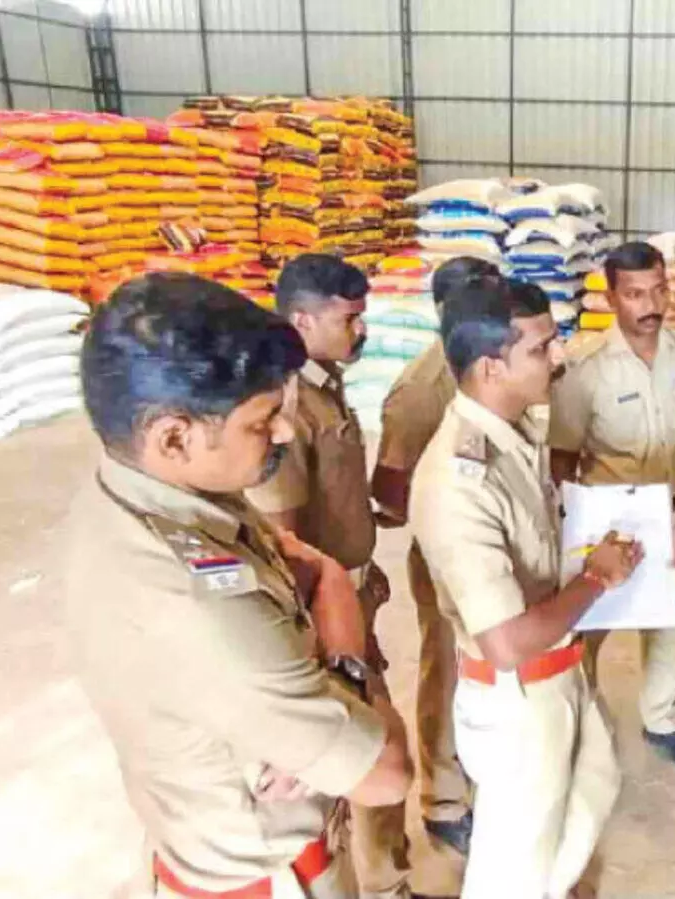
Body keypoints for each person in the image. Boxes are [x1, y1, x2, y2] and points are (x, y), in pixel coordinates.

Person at [64, 273, 412, 899]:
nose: (283, 433)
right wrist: (351, 674)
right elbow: (386, 775)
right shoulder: (194, 604)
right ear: (174, 435)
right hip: (271, 878)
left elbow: (315, 567)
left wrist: (328, 602)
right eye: (260, 422)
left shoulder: (159, 497)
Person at [410, 279, 634, 899]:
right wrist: (597, 577)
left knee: (594, 784)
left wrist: (640, 554)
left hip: (559, 674)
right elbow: (507, 642)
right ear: (490, 366)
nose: (557, 358)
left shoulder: (515, 432)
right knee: (513, 872)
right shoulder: (460, 479)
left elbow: (540, 548)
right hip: (518, 697)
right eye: (540, 348)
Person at [243, 253, 414, 899]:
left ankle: (388, 879)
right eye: (350, 318)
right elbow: (284, 542)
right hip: (323, 612)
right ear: (303, 318)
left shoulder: (327, 381)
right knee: (363, 752)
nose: (361, 329)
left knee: (376, 743)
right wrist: (325, 646)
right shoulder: (287, 407)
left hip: (352, 592)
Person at [548, 241, 675, 772]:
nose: (651, 305)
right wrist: (574, 529)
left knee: (668, 628)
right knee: (587, 628)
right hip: (604, 519)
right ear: (612, 297)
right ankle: (577, 723)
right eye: (635, 293)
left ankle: (661, 723)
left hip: (667, 514)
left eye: (659, 289)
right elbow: (563, 455)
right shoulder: (585, 367)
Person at [369, 256, 502, 861]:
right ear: (445, 311)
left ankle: (485, 772)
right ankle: (444, 801)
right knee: (446, 669)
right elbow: (389, 494)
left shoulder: (496, 368)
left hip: (496, 543)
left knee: (492, 666)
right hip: (445, 555)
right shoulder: (421, 392)